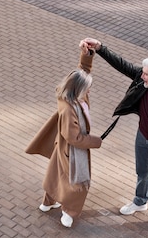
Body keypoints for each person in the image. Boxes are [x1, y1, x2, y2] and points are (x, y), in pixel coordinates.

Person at [79, 38, 148, 235]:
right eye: (143, 72)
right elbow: (122, 65)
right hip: (142, 136)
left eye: (147, 74)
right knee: (141, 171)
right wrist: (100, 48)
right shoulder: (143, 77)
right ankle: (140, 202)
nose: (142, 76)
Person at [25, 49, 102, 228]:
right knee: (77, 183)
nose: (90, 90)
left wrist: (87, 56)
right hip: (72, 150)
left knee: (56, 174)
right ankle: (69, 212)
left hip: (62, 148)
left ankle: (48, 202)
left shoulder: (71, 95)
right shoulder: (69, 109)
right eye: (87, 87)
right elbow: (73, 137)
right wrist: (95, 142)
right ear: (80, 89)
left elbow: (82, 73)